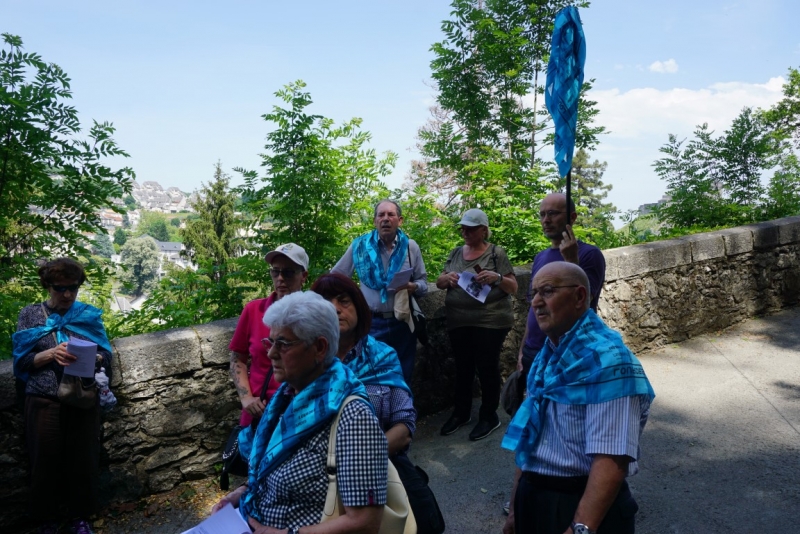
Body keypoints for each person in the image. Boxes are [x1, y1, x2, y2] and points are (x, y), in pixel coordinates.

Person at [212, 291, 388, 534]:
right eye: (270, 342)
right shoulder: (285, 399)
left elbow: (365, 523)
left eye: (283, 344)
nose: (271, 353)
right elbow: (271, 471)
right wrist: (239, 494)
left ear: (319, 347)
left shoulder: (353, 417)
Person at [501, 262, 655, 534]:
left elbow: (612, 459)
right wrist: (515, 507)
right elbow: (530, 440)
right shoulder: (548, 357)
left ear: (579, 296)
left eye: (547, 291)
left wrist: (581, 528)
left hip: (580, 505)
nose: (536, 302)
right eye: (533, 293)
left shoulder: (609, 363)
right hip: (534, 498)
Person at [311, 273, 445, 534]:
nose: (335, 309)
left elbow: (404, 427)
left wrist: (358, 461)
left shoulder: (382, 356)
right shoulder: (308, 361)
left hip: (382, 470)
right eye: (326, 302)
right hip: (317, 478)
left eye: (343, 301)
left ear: (359, 308)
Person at [12, 258, 113, 534]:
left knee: (83, 460)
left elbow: (107, 356)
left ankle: (81, 517)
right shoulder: (31, 315)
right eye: (60, 288)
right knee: (44, 462)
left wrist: (96, 358)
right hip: (43, 399)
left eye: (73, 288)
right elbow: (21, 363)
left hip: (82, 397)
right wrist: (50, 354)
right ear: (48, 286)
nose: (67, 294)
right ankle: (46, 520)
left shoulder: (87, 314)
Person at [435, 208, 518, 441]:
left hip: (490, 319)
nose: (465, 233)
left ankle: (489, 416)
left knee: (486, 365)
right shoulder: (455, 253)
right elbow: (439, 282)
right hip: (458, 320)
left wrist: (497, 277)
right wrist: (447, 279)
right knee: (463, 367)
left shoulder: (496, 254)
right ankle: (461, 413)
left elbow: (513, 287)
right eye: (463, 229)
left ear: (483, 230)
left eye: (470, 229)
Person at [331, 199, 428, 385]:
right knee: (370, 377)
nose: (385, 219)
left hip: (402, 323)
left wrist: (413, 287)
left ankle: (401, 405)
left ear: (400, 220)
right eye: (381, 215)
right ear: (375, 221)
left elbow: (423, 282)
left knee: (403, 375)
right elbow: (336, 279)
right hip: (370, 323)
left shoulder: (410, 247)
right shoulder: (359, 247)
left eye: (391, 215)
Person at [518, 193, 606, 377]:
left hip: (568, 351)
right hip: (533, 351)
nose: (546, 220)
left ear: (572, 217)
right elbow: (533, 307)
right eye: (542, 214)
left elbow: (583, 301)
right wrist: (522, 349)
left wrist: (572, 260)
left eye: (553, 213)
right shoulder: (540, 257)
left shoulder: (589, 254)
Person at [228, 243, 309, 427]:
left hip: (298, 415)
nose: (280, 278)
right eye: (275, 271)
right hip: (259, 414)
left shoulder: (314, 315)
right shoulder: (253, 310)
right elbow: (237, 358)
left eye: (288, 272)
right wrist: (246, 398)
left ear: (303, 276)